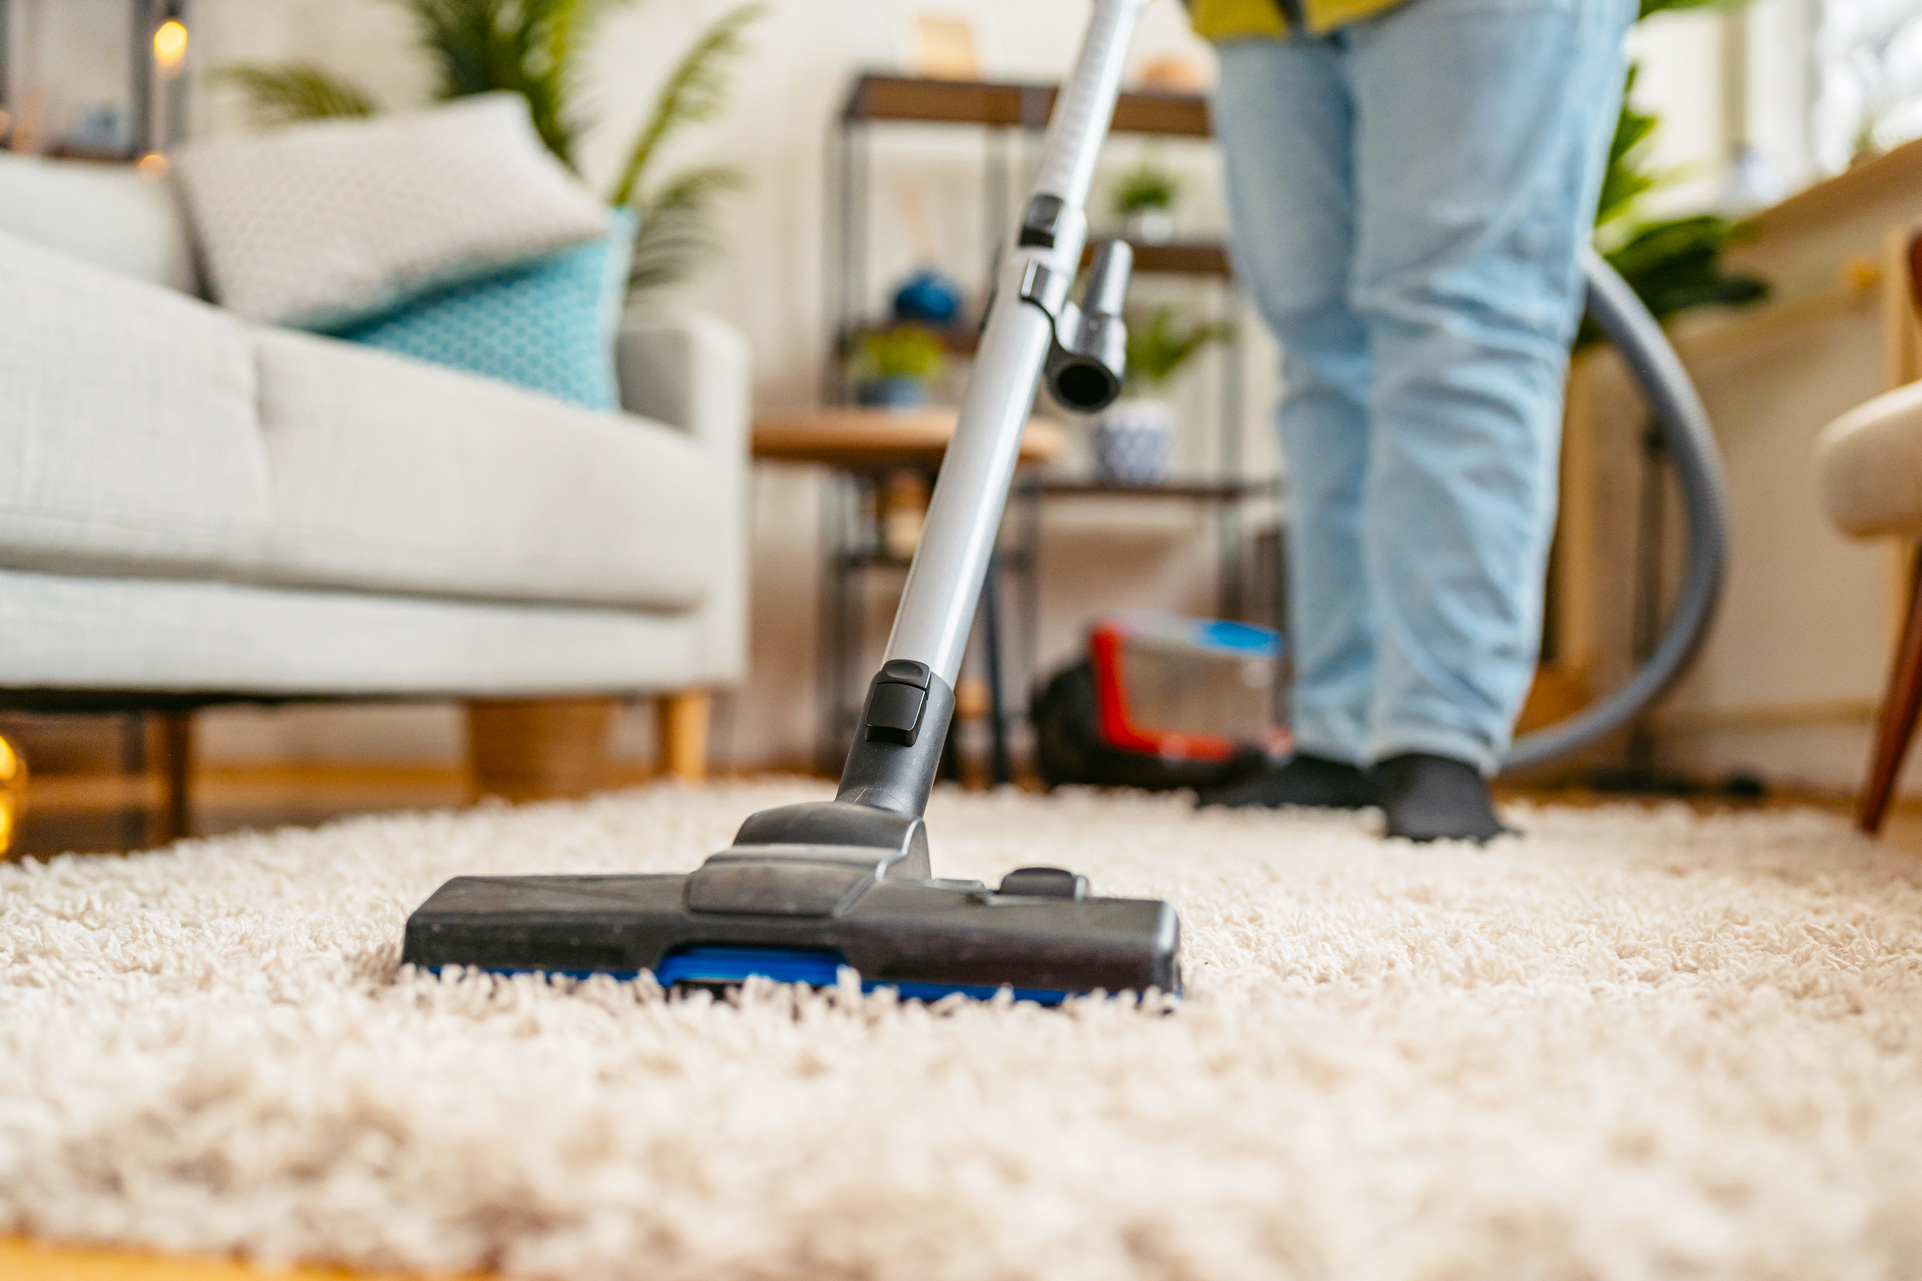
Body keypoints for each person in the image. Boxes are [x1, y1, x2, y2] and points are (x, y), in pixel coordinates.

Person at [1188, 0, 1634, 841]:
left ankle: (1438, 733)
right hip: (1258, 15)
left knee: (1462, 319)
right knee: (1319, 350)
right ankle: (1341, 729)